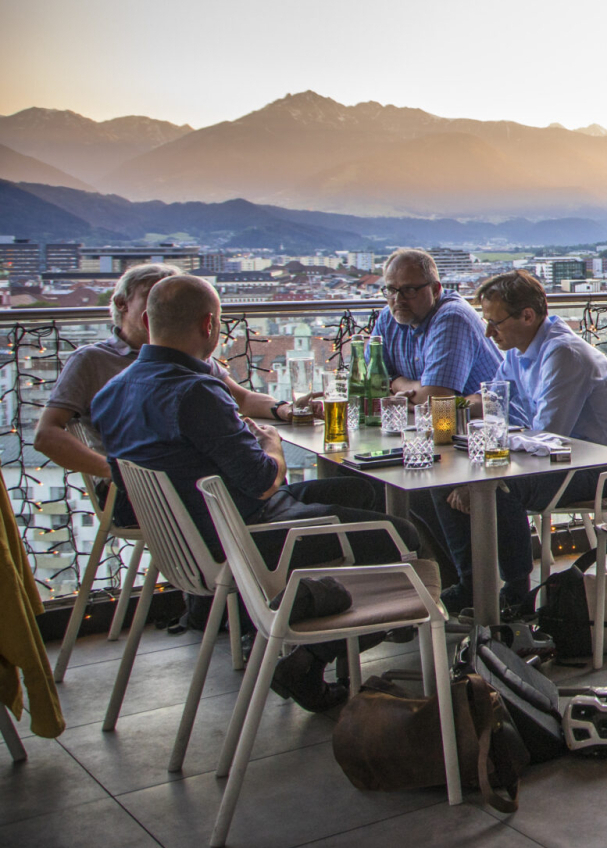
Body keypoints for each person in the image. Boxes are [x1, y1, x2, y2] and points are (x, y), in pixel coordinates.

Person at [91, 276, 432, 713]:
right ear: (209, 324)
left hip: (193, 537)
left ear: (146, 321)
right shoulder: (195, 391)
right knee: (402, 536)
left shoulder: (112, 392)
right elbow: (264, 481)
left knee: (361, 490)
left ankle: (321, 613)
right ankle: (309, 658)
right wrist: (271, 444)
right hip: (248, 538)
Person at [417, 271, 607, 610]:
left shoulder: (564, 354)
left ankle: (516, 593)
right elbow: (493, 404)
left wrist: (484, 466)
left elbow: (546, 437)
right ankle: (471, 584)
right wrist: (447, 411)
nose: (489, 333)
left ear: (527, 315)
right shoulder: (518, 351)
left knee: (502, 487)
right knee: (444, 481)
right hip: (568, 460)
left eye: (495, 323)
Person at [34, 264, 300, 527]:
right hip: (151, 499)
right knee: (272, 489)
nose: (170, 308)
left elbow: (242, 399)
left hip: (197, 490)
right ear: (122, 304)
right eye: (156, 297)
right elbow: (46, 435)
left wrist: (283, 408)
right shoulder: (92, 360)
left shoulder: (187, 359)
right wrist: (119, 473)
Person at [370, 248, 501, 403]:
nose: (398, 299)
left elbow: (437, 399)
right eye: (391, 290)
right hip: (426, 418)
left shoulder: (452, 318)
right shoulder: (389, 317)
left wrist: (395, 384)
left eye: (409, 290)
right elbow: (371, 382)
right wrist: (411, 395)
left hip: (487, 416)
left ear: (435, 290)